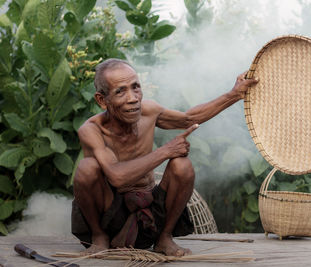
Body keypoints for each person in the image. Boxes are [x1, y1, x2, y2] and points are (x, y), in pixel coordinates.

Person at [71, 58, 258, 256]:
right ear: (102, 100)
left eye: (136, 88)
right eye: (120, 91)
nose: (133, 98)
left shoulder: (149, 111)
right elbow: (117, 177)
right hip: (110, 217)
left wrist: (234, 94)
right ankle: (98, 237)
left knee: (182, 165)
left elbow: (189, 119)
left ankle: (164, 238)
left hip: (151, 215)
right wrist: (166, 150)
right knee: (87, 168)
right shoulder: (92, 130)